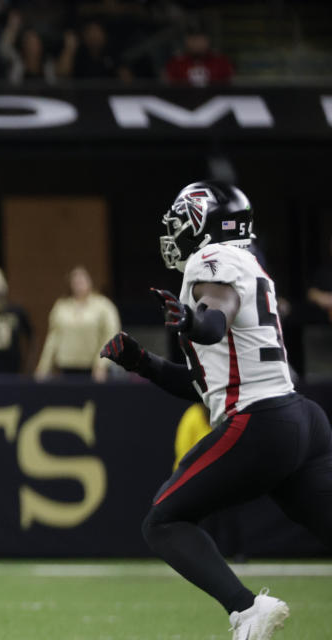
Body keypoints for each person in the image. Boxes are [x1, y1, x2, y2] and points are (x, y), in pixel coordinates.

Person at [100, 180, 332, 640]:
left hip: (262, 423)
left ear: (207, 223)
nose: (175, 232)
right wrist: (141, 361)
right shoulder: (250, 266)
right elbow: (205, 387)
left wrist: (194, 321)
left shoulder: (213, 260)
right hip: (301, 420)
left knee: (163, 520)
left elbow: (214, 317)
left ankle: (247, 609)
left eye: (183, 220)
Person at [35, 266, 120, 382]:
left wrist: (102, 363)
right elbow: (53, 338)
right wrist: (44, 366)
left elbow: (111, 336)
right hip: (67, 367)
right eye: (75, 280)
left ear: (90, 281)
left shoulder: (103, 306)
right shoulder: (61, 306)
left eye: (82, 279)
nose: (79, 283)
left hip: (94, 369)